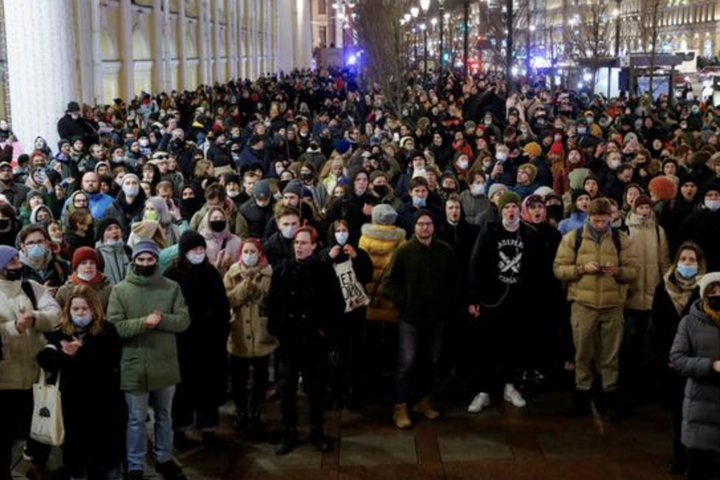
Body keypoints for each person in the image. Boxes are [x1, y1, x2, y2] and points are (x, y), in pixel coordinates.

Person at [106, 240, 190, 480]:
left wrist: (161, 320)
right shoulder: (120, 290)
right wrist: (144, 323)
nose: (145, 263)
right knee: (135, 419)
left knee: (165, 415)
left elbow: (184, 321)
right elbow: (115, 326)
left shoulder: (171, 287)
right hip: (134, 364)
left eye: (150, 259)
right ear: (134, 261)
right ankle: (135, 465)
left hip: (164, 361)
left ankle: (164, 458)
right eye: (141, 260)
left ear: (156, 260)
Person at [554, 197, 639, 419]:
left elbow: (634, 271)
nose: (600, 225)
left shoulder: (621, 239)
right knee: (582, 352)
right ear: (588, 218)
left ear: (611, 218)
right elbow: (559, 268)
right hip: (583, 304)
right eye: (596, 221)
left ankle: (608, 394)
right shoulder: (574, 238)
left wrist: (618, 272)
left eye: (604, 221)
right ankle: (582, 394)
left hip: (613, 305)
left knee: (610, 355)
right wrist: (581, 269)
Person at [267, 226, 345, 455]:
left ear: (314, 245)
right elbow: (273, 303)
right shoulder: (283, 270)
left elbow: (335, 304)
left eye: (303, 243)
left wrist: (326, 332)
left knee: (316, 389)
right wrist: (278, 328)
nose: (299, 246)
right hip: (290, 339)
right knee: (288, 388)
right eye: (296, 243)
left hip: (314, 339)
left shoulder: (324, 271)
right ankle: (289, 431)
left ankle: (316, 430)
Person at [36, 285, 123, 480]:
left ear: (94, 309)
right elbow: (44, 358)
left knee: (100, 450)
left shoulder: (107, 330)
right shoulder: (62, 331)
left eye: (85, 309)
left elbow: (109, 360)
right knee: (74, 449)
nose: (80, 313)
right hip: (72, 402)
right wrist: (66, 356)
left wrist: (78, 354)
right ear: (69, 310)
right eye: (76, 309)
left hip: (102, 401)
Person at [467, 192, 541, 413]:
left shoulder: (529, 233)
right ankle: (484, 391)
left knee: (514, 344)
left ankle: (510, 386)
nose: (510, 210)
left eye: (514, 207)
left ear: (520, 209)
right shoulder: (490, 230)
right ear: (501, 210)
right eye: (506, 207)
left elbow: (536, 271)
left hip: (518, 300)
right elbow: (476, 263)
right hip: (491, 299)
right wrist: (473, 297)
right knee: (486, 346)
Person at [383, 210, 456, 428]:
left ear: (434, 226)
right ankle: (400, 407)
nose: (425, 228)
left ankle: (424, 401)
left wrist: (446, 304)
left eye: (429, 224)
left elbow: (454, 281)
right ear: (414, 227)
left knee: (431, 360)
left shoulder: (445, 251)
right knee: (406, 363)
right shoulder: (404, 251)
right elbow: (389, 282)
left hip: (437, 317)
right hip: (410, 317)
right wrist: (403, 301)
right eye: (421, 224)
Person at [0, 245, 61, 480]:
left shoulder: (31, 287)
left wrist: (35, 318)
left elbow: (55, 314)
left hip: (36, 374)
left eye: (18, 259)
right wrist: (13, 327)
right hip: (5, 378)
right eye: (11, 261)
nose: (18, 264)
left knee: (39, 427)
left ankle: (37, 465)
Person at [164, 231, 230, 447]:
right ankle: (180, 431)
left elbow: (222, 306)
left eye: (202, 249)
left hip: (209, 342)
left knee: (208, 388)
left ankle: (208, 428)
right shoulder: (172, 275)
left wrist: (221, 334)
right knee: (182, 391)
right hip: (183, 342)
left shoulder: (210, 273)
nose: (199, 253)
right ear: (184, 252)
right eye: (195, 250)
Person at [648, 242, 705, 476]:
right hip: (672, 361)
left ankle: (699, 459)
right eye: (684, 260)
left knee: (699, 414)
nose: (687, 264)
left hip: (698, 361)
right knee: (678, 414)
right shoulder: (664, 288)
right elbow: (657, 327)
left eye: (692, 260)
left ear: (699, 264)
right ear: (676, 262)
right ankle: (678, 455)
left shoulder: (706, 290)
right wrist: (664, 357)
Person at [670, 272, 720, 480]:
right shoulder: (689, 322)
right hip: (701, 411)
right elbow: (678, 359)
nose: (718, 295)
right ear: (704, 295)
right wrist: (711, 365)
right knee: (700, 470)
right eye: (713, 292)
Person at [224, 238, 276, 436]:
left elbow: (271, 301)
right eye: (246, 252)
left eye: (253, 252)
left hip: (262, 334)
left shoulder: (269, 274)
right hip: (238, 334)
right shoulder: (232, 273)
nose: (249, 255)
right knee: (239, 378)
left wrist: (255, 291)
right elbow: (227, 299)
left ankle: (256, 413)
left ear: (260, 253)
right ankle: (241, 412)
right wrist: (243, 289)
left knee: (261, 379)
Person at [320, 219, 374, 408]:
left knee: (355, 355)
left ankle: (354, 394)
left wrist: (356, 257)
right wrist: (328, 257)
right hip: (333, 314)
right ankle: (334, 394)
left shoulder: (360, 252)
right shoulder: (324, 252)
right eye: (338, 230)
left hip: (355, 313)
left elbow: (367, 276)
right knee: (334, 357)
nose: (341, 233)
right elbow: (317, 276)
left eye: (345, 230)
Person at [623, 195, 670, 393]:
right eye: (641, 207)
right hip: (630, 296)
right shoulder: (625, 231)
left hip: (652, 295)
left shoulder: (659, 232)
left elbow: (665, 263)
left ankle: (646, 382)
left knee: (649, 340)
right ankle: (629, 380)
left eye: (647, 207)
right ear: (634, 209)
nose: (645, 211)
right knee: (629, 341)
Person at [55, 247, 113, 311]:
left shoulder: (109, 290)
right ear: (76, 268)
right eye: (83, 263)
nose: (88, 266)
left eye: (92, 263)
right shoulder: (64, 291)